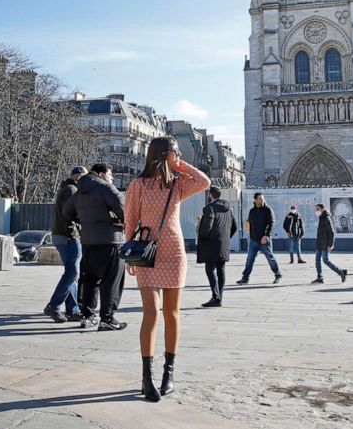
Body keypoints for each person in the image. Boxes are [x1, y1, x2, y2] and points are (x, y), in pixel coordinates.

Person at [123, 136, 210, 402]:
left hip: (174, 251)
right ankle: (146, 377)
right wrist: (130, 255)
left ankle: (168, 373)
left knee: (172, 313)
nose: (179, 155)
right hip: (147, 252)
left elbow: (204, 182)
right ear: (162, 154)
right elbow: (130, 221)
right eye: (176, 152)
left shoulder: (178, 184)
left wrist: (180, 164)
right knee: (151, 313)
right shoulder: (138, 185)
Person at [64, 163, 127, 331]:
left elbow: (66, 211)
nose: (111, 177)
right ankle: (107, 318)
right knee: (112, 281)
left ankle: (88, 316)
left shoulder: (79, 191)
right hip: (111, 241)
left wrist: (84, 222)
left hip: (88, 241)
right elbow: (124, 209)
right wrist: (120, 222)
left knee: (90, 280)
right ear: (101, 173)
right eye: (110, 174)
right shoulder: (106, 188)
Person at [44, 166, 87, 323]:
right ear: (79, 177)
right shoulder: (72, 190)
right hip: (69, 236)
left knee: (72, 274)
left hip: (63, 235)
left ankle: (72, 309)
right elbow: (73, 214)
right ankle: (54, 306)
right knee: (73, 273)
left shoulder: (67, 188)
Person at [196, 186, 237, 307]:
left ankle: (216, 296)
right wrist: (225, 238)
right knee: (221, 270)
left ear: (210, 195)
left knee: (210, 269)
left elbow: (207, 226)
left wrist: (202, 235)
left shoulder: (209, 208)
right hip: (223, 244)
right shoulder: (228, 209)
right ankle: (219, 297)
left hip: (211, 244)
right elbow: (233, 226)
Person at [236, 193, 282, 285]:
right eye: (260, 199)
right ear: (255, 200)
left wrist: (266, 235)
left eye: (262, 199)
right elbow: (249, 223)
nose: (262, 200)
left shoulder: (268, 210)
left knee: (270, 258)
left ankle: (278, 275)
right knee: (249, 259)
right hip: (253, 240)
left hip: (264, 240)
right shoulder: (252, 211)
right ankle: (245, 278)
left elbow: (271, 223)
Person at [310, 204, 347, 285]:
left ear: (323, 209)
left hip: (325, 243)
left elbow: (332, 232)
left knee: (325, 260)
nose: (316, 210)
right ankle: (320, 277)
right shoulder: (321, 217)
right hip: (319, 243)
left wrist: (330, 245)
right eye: (316, 209)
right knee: (317, 260)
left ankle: (341, 272)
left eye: (318, 209)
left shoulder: (326, 218)